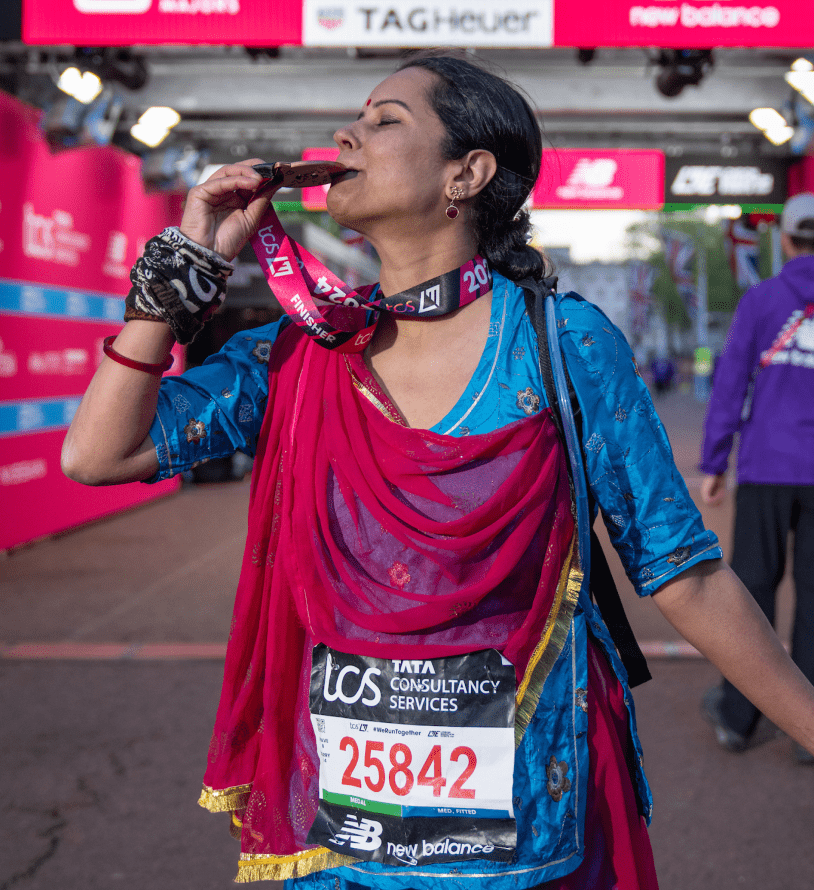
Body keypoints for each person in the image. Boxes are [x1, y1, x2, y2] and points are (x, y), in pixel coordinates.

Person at [62, 52, 814, 889]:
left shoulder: (562, 345)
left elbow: (686, 577)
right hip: (340, 837)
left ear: (469, 172)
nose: (345, 133)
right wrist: (175, 278)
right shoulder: (298, 353)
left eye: (385, 120)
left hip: (529, 830)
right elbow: (100, 454)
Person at [699, 192, 814, 765]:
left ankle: (739, 716)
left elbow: (730, 385)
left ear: (787, 240)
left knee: (752, 590)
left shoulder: (764, 299)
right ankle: (807, 728)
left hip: (768, 465)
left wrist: (714, 463)